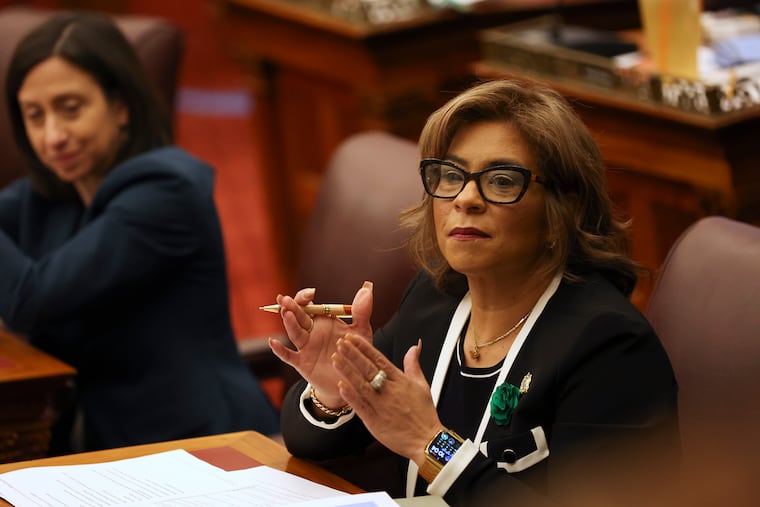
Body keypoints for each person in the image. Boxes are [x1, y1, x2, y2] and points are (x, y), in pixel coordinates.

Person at [270, 79, 680, 506]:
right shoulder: (434, 298)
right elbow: (309, 442)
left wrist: (432, 445)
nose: (466, 198)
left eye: (502, 181)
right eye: (451, 176)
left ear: (566, 205)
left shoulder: (609, 348)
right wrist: (334, 391)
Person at [0, 12, 278, 453]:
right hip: (109, 445)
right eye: (35, 116)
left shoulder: (166, 192)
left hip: (206, 445)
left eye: (70, 109)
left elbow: (29, 301)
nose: (53, 136)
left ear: (120, 106)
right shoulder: (56, 192)